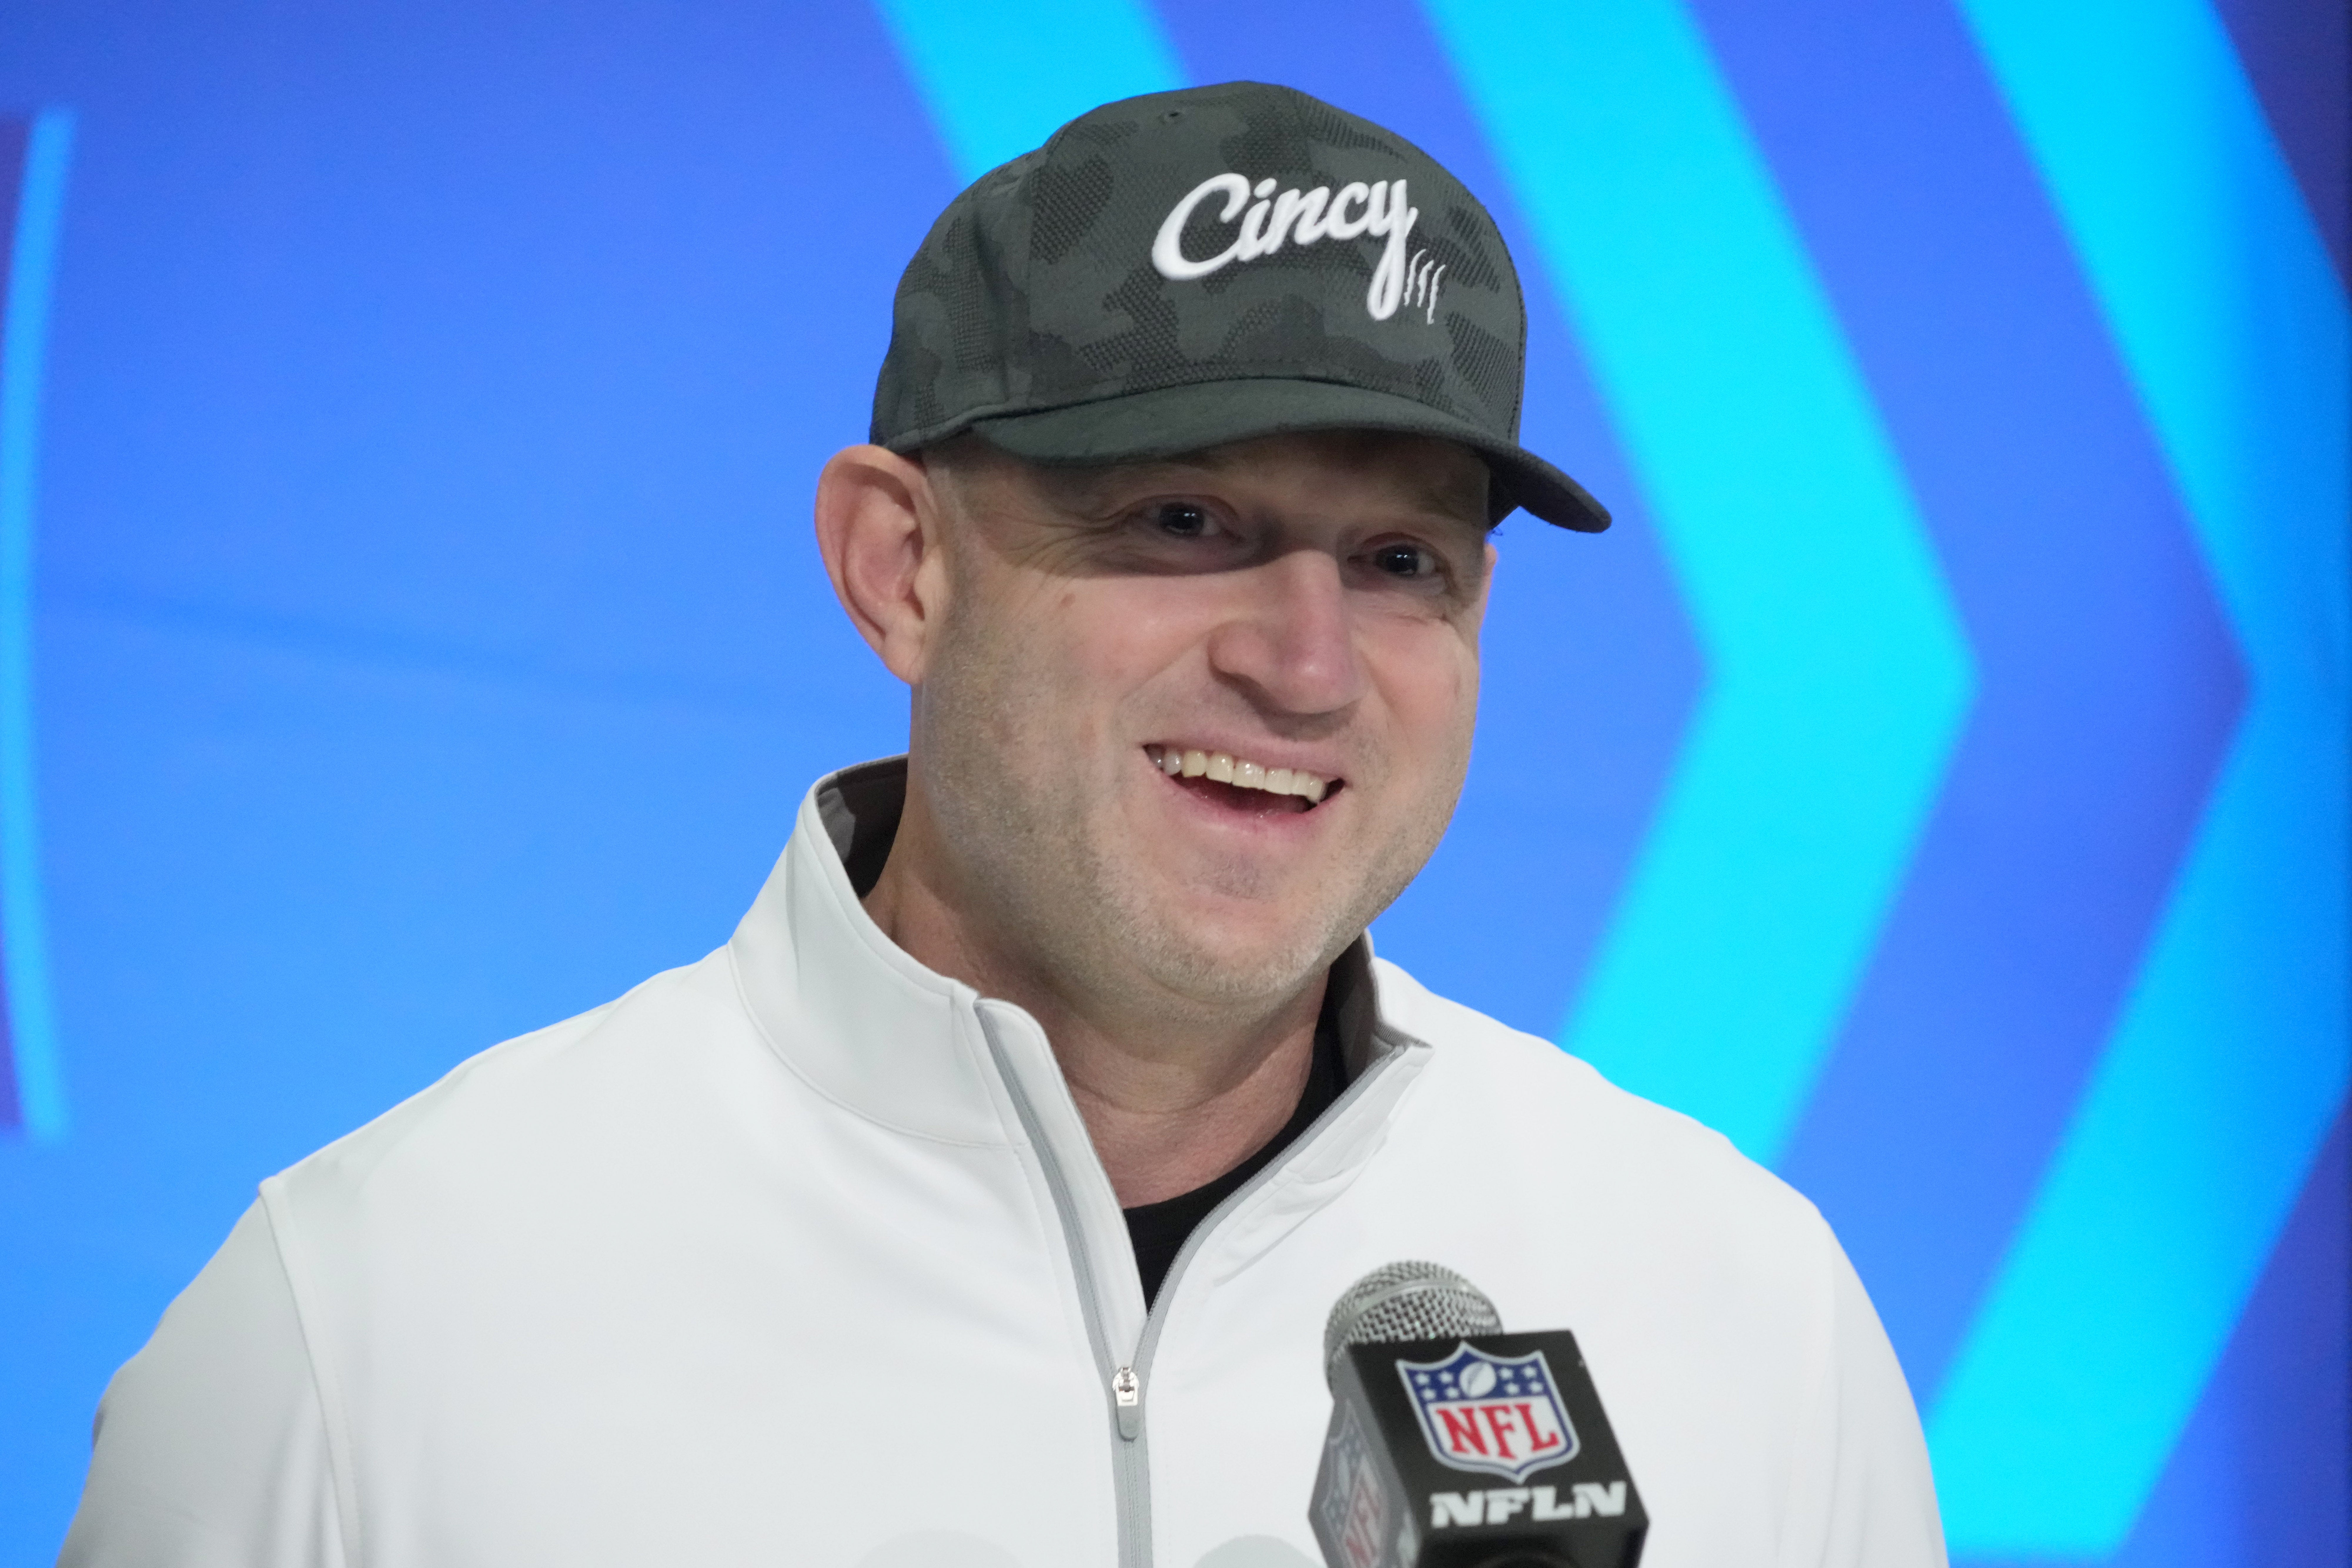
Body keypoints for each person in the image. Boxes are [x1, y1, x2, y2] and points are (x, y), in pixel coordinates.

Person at [60, 82, 1945, 1568]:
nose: (1303, 666)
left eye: (1399, 561)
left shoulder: (1739, 1306)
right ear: (901, 571)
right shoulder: (376, 1313)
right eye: (1182, 524)